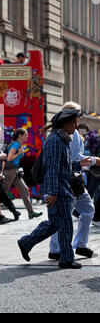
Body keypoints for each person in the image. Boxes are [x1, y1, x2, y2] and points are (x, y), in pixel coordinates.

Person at [17, 109, 92, 269]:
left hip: (63, 188)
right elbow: (52, 168)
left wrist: (79, 163)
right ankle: (66, 259)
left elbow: (63, 165)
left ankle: (26, 242)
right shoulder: (56, 141)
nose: (75, 126)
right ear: (64, 123)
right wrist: (52, 193)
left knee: (57, 224)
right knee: (63, 226)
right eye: (73, 123)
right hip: (59, 190)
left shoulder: (62, 139)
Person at [49, 102, 100, 260]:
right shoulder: (64, 134)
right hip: (68, 181)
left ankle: (79, 245)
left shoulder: (74, 133)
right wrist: (92, 160)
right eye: (78, 114)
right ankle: (55, 249)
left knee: (88, 210)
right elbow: (69, 160)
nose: (81, 117)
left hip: (76, 180)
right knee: (63, 217)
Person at [3, 128, 43, 219]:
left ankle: (31, 212)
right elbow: (9, 158)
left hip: (15, 171)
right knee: (4, 192)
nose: (27, 136)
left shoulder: (18, 144)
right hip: (10, 171)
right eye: (26, 134)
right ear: (20, 136)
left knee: (25, 190)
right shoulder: (15, 145)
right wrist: (19, 154)